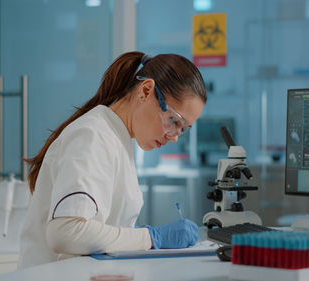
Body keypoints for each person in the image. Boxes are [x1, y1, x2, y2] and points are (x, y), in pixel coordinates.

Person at [18, 52, 207, 269]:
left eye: (182, 130)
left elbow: (94, 233)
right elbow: (65, 231)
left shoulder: (117, 138)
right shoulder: (93, 134)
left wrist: (136, 237)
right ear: (146, 91)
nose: (174, 137)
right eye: (173, 120)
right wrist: (151, 238)